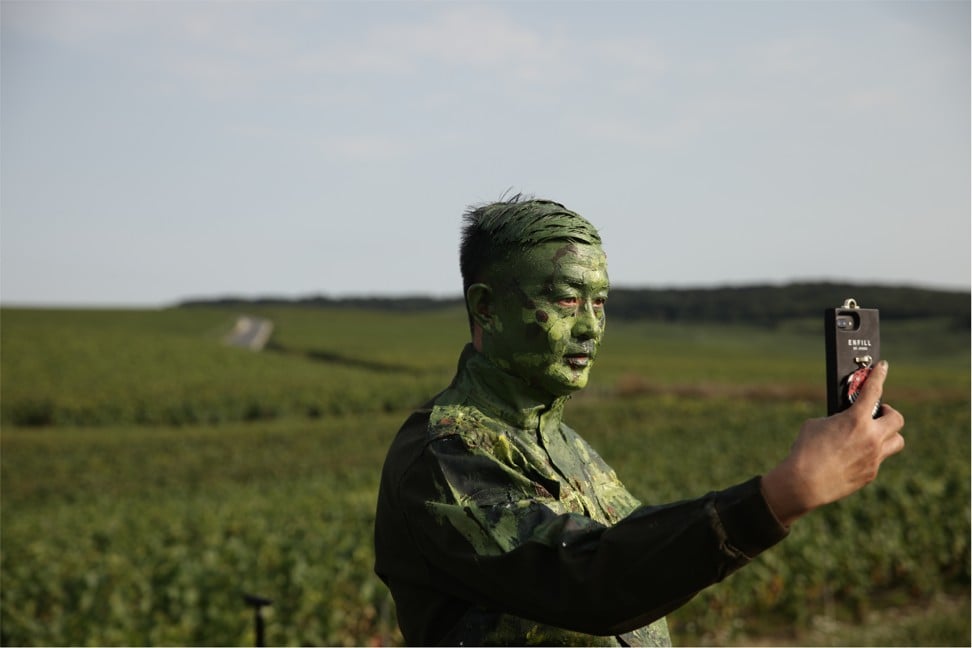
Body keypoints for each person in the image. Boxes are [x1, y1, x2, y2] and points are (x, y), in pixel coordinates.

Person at [373, 195, 905, 646]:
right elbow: (588, 579)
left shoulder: (563, 442)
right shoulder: (443, 453)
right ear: (486, 307)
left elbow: (637, 555)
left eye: (599, 302)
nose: (590, 328)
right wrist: (782, 494)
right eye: (565, 299)